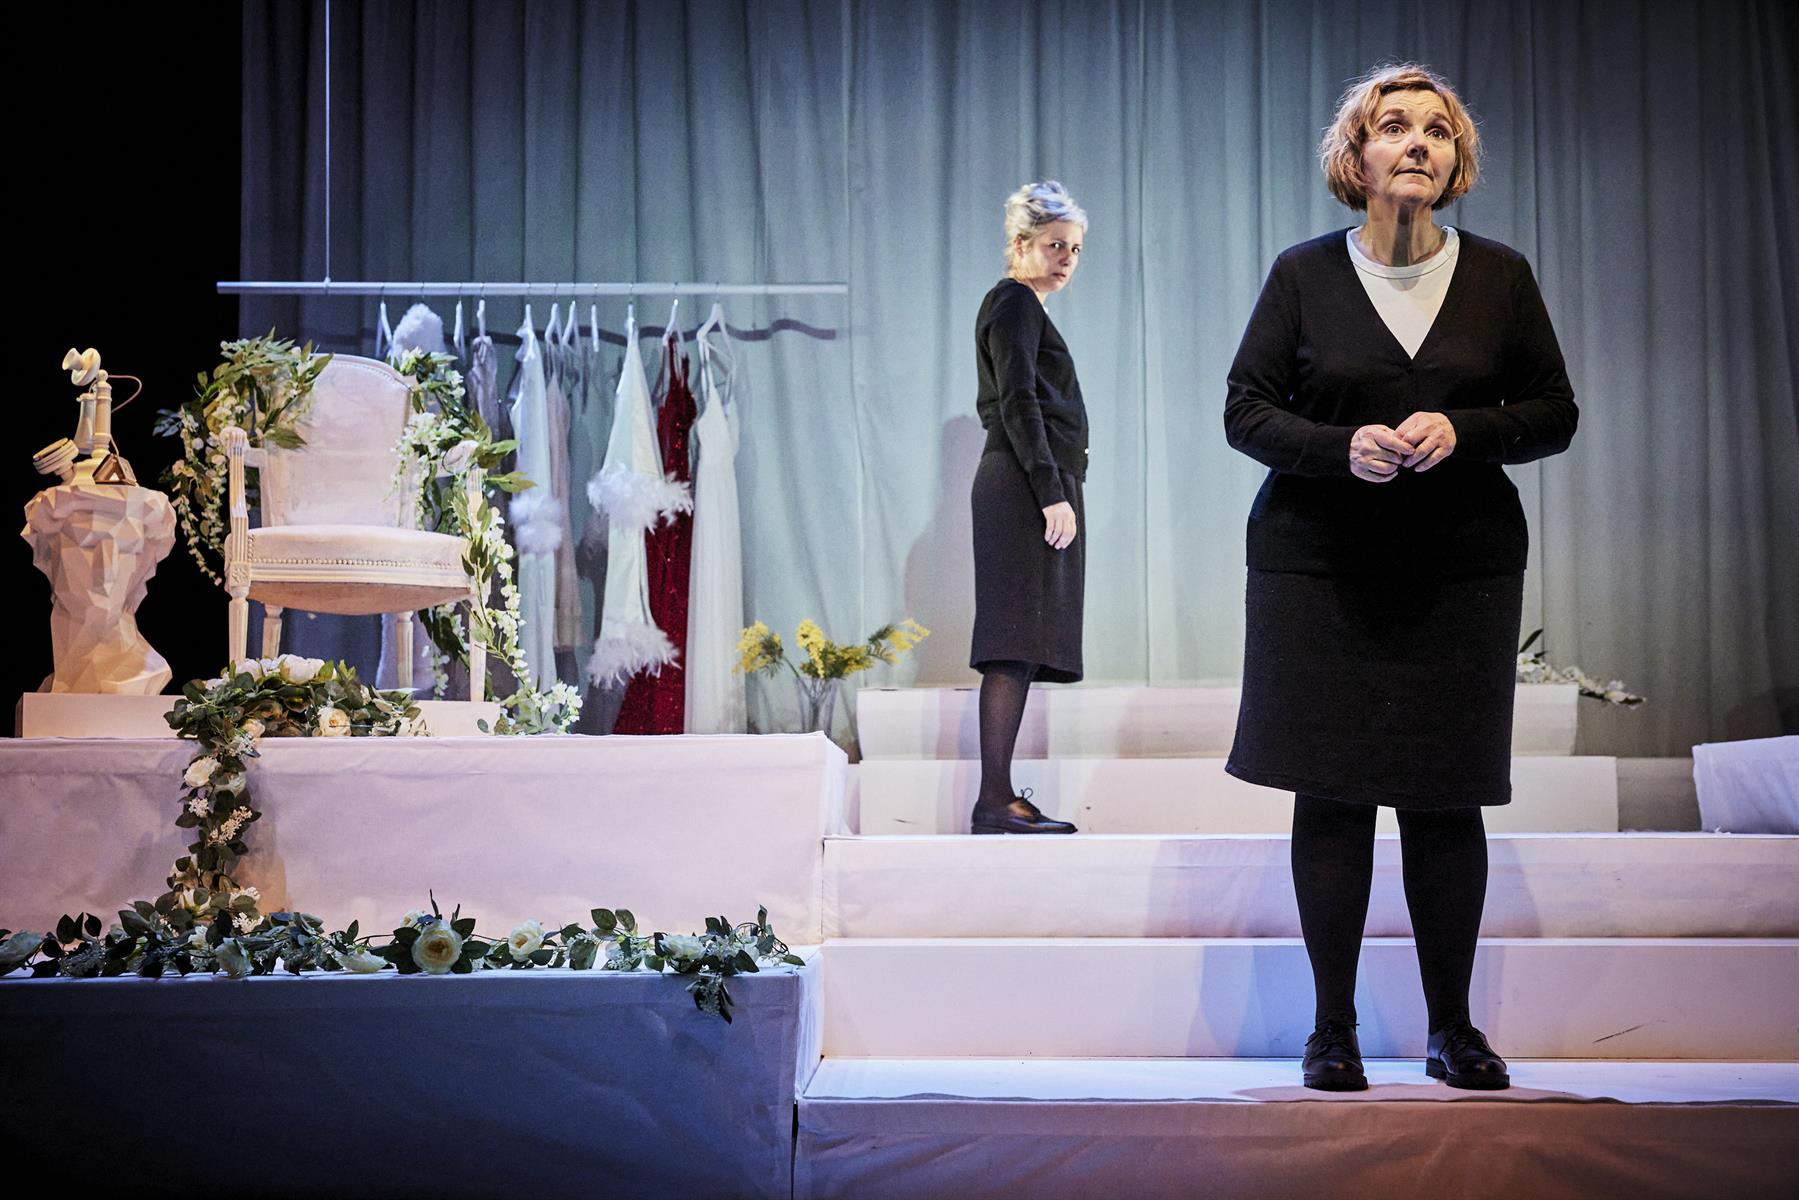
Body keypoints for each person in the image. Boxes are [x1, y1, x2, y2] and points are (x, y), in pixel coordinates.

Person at [1223, 63, 1578, 1091]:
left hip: (1457, 570)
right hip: (1316, 569)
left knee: (1444, 797)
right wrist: (1338, 447)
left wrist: (1463, 430)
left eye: (1436, 129)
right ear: (1357, 157)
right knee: (1330, 796)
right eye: (1393, 126)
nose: (1416, 141)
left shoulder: (1500, 276)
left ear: (1455, 160)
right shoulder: (1302, 275)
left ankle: (1450, 1031)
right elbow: (1245, 410)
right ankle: (1330, 1030)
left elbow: (1552, 412)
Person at [968, 180, 1089, 835]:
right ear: (1020, 244)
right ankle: (994, 799)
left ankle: (998, 796)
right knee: (1011, 643)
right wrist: (1051, 491)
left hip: (1026, 479)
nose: (1066, 258)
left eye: (1074, 248)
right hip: (1021, 483)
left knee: (1021, 642)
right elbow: (1019, 401)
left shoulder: (1022, 307)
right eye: (1054, 245)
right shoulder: (1013, 302)